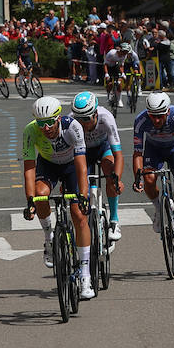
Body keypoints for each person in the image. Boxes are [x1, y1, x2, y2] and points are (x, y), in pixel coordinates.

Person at [20, 96, 93, 301]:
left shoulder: (73, 127)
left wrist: (83, 195)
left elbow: (82, 166)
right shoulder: (30, 131)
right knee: (40, 195)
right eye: (41, 123)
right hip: (48, 165)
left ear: (58, 118)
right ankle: (49, 238)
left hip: (72, 166)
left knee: (78, 214)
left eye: (50, 122)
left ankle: (85, 274)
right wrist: (30, 200)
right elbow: (29, 168)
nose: (45, 128)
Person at [132, 91, 174, 259]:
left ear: (167, 112)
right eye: (152, 116)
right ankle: (158, 209)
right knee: (148, 179)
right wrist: (137, 177)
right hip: (153, 150)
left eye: (160, 116)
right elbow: (137, 153)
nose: (156, 120)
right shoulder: (141, 120)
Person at [70, 91, 124, 240]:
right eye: (78, 119)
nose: (83, 124)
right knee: (80, 186)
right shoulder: (70, 121)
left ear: (95, 114)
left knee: (109, 171)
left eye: (86, 119)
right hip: (82, 152)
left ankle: (114, 220)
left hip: (103, 148)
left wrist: (116, 179)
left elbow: (118, 155)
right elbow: (68, 156)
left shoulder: (106, 118)